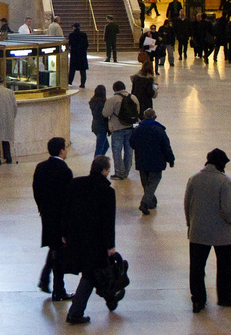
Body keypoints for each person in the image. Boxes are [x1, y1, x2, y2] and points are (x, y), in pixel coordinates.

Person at [61, 155, 119, 324]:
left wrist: (64, 233)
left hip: (76, 238)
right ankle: (75, 312)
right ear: (104, 170)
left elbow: (66, 210)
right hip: (96, 242)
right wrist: (111, 246)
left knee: (95, 272)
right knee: (92, 274)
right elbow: (109, 221)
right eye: (108, 169)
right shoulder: (107, 192)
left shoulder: (76, 184)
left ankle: (110, 300)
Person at [184, 148, 231, 312]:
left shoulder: (194, 179)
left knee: (196, 268)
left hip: (198, 231)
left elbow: (187, 204)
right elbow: (228, 209)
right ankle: (224, 297)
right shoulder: (224, 181)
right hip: (221, 232)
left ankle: (198, 301)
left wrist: (190, 223)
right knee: (225, 265)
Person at [35, 138, 74, 301]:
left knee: (54, 246)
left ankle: (45, 279)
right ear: (61, 150)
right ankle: (59, 290)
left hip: (47, 214)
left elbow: (36, 190)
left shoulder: (41, 167)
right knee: (60, 252)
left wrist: (42, 208)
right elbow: (68, 198)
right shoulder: (65, 171)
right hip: (61, 217)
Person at [129, 106, 175, 213]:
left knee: (146, 184)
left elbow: (131, 143)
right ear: (155, 117)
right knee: (153, 182)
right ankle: (145, 203)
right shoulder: (159, 130)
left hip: (142, 161)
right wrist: (170, 160)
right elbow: (166, 146)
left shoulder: (138, 129)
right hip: (156, 162)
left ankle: (151, 201)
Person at [103, 81, 138, 179]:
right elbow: (137, 112)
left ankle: (119, 172)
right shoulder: (133, 98)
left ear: (114, 89)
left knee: (117, 151)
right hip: (130, 127)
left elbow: (105, 113)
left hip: (117, 128)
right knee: (129, 151)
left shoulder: (113, 100)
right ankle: (126, 172)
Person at [87, 85, 109, 158]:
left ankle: (100, 160)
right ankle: (98, 163)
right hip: (102, 127)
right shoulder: (103, 103)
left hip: (95, 125)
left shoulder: (92, 102)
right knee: (99, 148)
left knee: (105, 145)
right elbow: (105, 115)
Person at [68, 23, 89, 88]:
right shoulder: (84, 35)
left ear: (74, 28)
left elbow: (69, 44)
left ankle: (69, 82)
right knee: (82, 70)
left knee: (72, 69)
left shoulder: (71, 35)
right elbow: (86, 44)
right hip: (82, 54)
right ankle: (82, 84)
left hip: (74, 54)